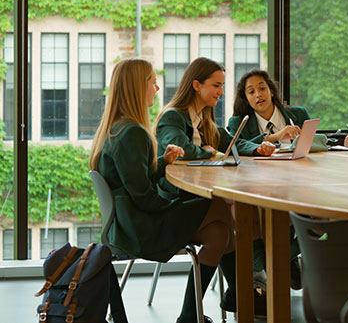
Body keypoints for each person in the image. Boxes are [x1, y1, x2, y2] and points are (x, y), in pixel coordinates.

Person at [89, 58, 242, 323]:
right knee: (218, 208)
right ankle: (238, 294)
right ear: (137, 88)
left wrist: (163, 163)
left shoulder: (119, 129)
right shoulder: (132, 133)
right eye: (152, 83)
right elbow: (144, 197)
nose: (157, 89)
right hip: (139, 227)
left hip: (128, 222)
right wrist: (174, 207)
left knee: (219, 232)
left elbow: (136, 178)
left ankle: (194, 313)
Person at [227, 69, 309, 290]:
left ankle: (277, 260)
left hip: (298, 183)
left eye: (262, 88)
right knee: (246, 212)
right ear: (246, 98)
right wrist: (273, 137)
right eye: (251, 91)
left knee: (320, 215)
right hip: (256, 187)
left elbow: (317, 145)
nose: (258, 95)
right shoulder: (238, 122)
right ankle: (280, 262)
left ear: (271, 91)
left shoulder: (299, 114)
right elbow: (234, 146)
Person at [156, 57, 275, 162]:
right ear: (197, 86)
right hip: (176, 186)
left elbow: (232, 144)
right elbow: (181, 151)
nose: (221, 92)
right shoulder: (172, 117)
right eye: (216, 85)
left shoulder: (203, 121)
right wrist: (206, 152)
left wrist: (257, 149)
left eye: (222, 86)